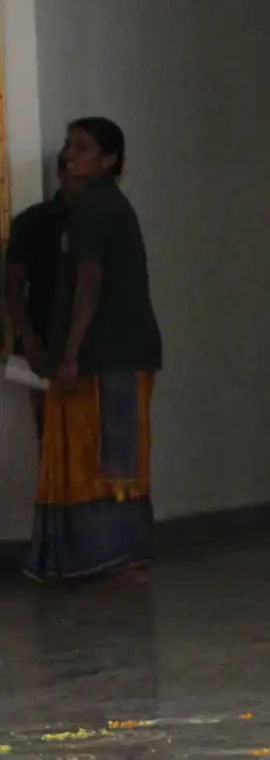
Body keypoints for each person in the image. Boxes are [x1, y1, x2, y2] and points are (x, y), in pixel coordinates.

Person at [28, 118, 162, 584]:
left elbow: (89, 284)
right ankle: (102, 558)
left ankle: (119, 559)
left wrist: (70, 356)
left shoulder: (96, 209)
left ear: (108, 160)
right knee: (102, 455)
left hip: (111, 356)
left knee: (112, 458)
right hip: (112, 355)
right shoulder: (93, 207)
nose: (69, 154)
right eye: (69, 145)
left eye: (82, 147)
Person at [5, 154, 70, 439]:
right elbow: (13, 285)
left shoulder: (108, 221)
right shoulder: (32, 222)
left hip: (99, 352)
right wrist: (27, 338)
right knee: (52, 441)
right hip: (45, 347)